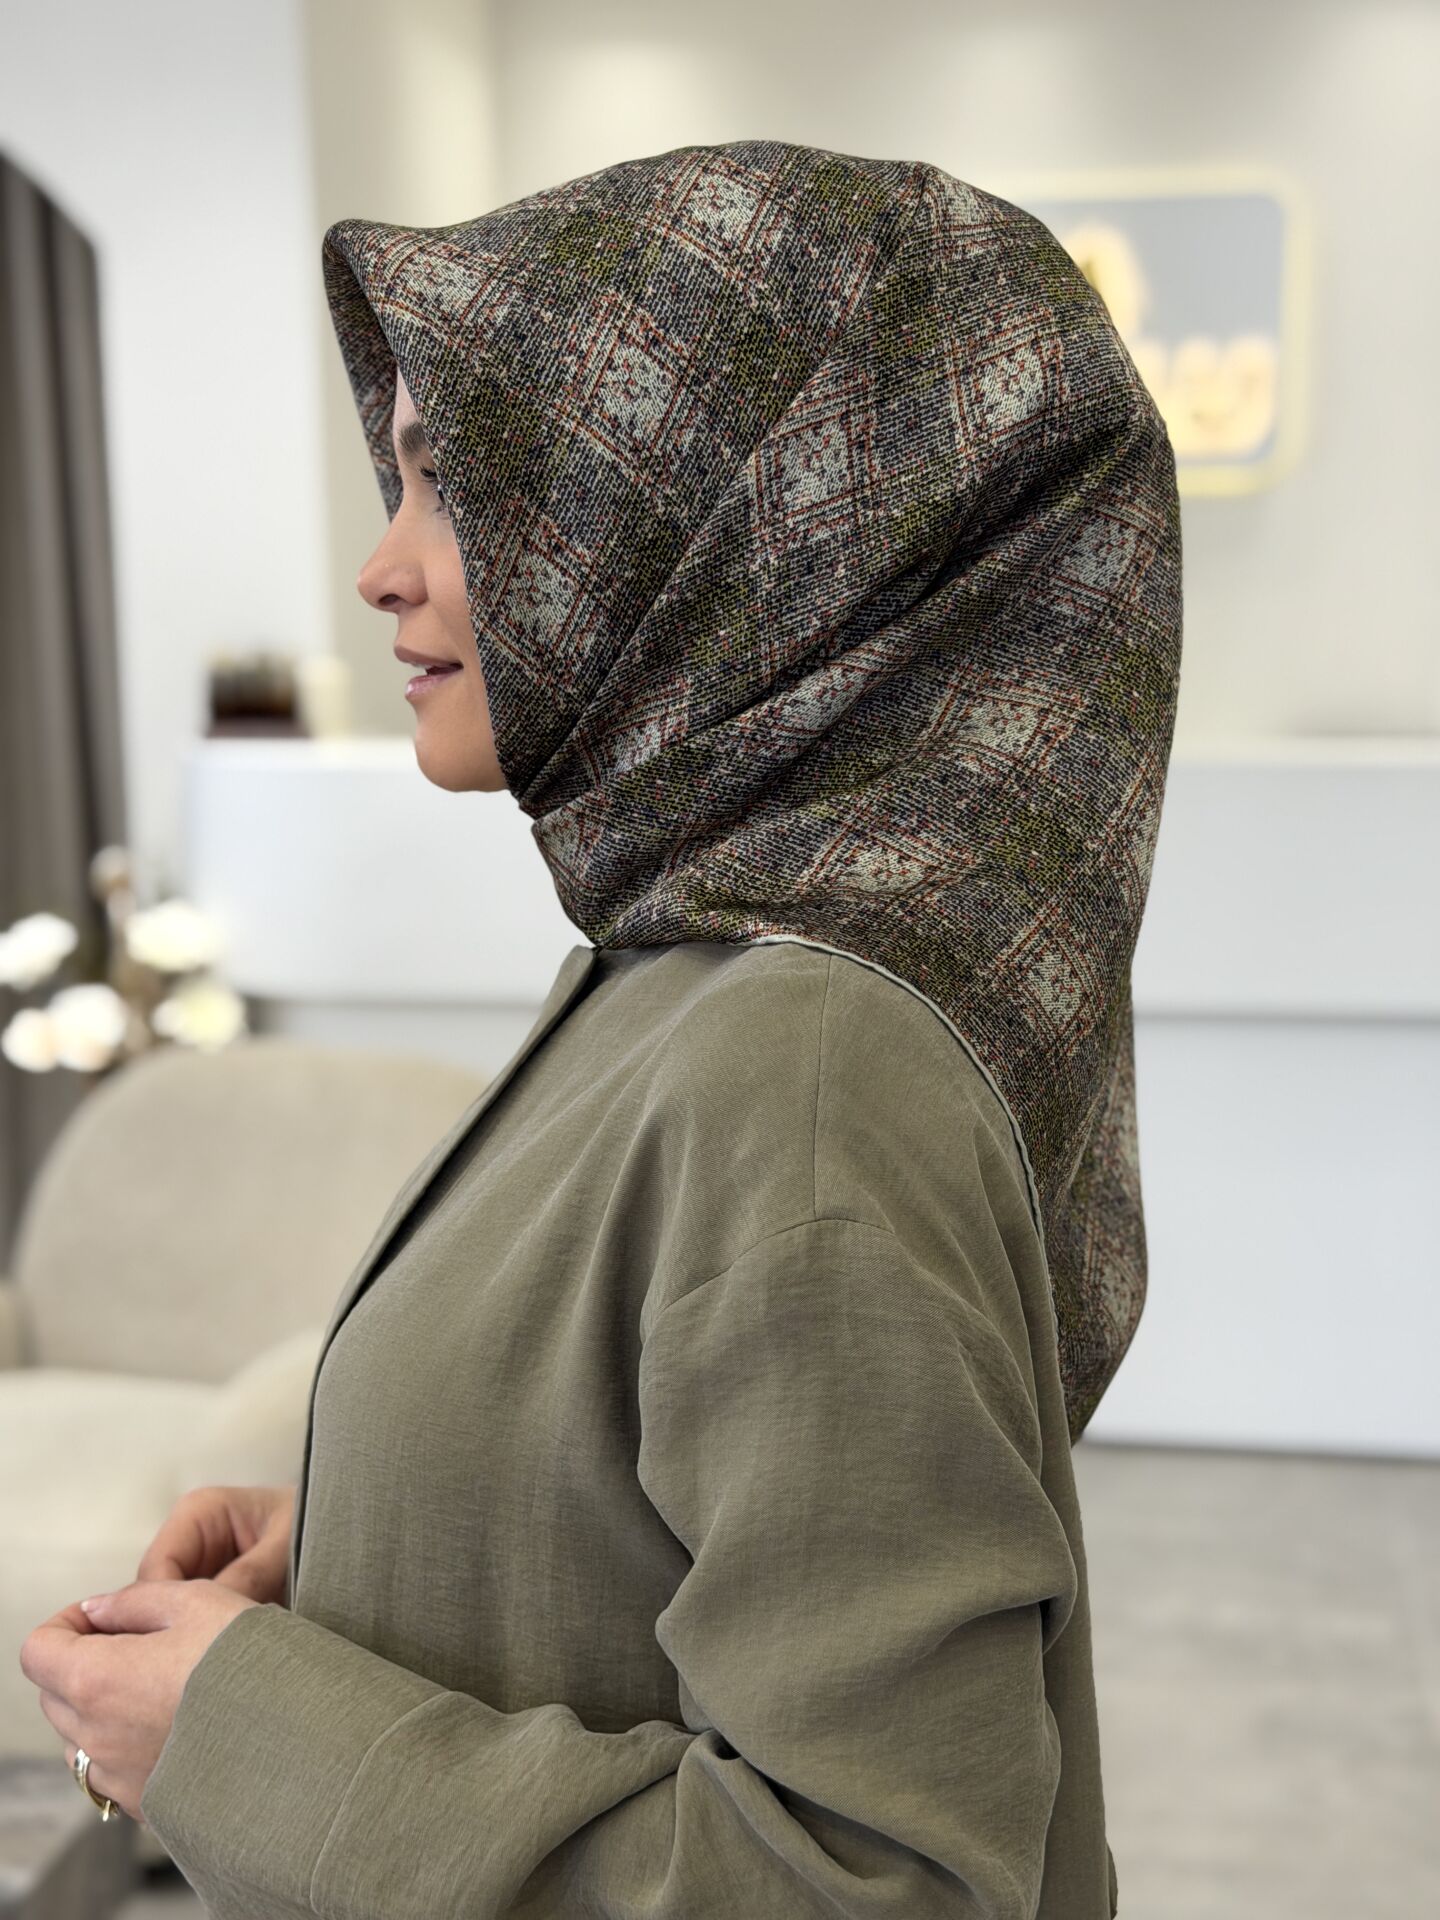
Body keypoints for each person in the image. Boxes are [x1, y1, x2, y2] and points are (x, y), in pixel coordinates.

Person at [19, 137, 1182, 1917]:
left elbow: (871, 1885)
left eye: (454, 484)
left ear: (728, 533)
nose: (383, 568)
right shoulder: (689, 962)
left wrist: (234, 1730)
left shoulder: (806, 1064)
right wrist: (373, 1549)